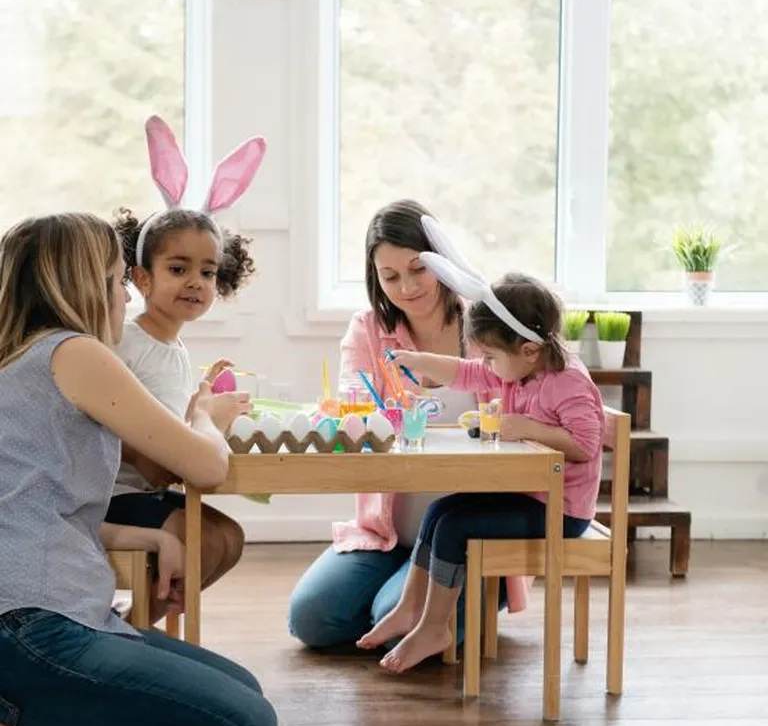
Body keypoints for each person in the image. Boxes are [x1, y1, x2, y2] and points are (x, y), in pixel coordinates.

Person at [0, 212, 277, 726]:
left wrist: (147, 536)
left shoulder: (22, 359)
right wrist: (205, 416)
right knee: (246, 725)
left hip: (40, 619)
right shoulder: (75, 352)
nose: (126, 299)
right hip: (32, 628)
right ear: (83, 283)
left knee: (244, 691)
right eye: (117, 281)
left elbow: (31, 505)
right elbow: (206, 465)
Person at [288, 199, 524, 649]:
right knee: (312, 619)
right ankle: (400, 608)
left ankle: (412, 611)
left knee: (393, 615)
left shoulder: (488, 323)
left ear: (442, 261)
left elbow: (546, 383)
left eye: (418, 269)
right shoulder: (368, 329)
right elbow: (349, 407)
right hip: (387, 533)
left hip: (465, 538)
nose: (407, 287)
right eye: (389, 276)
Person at [358, 268, 604, 673]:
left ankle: (434, 627)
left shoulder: (567, 382)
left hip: (561, 511)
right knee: (440, 511)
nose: (485, 365)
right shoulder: (521, 366)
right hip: (527, 496)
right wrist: (417, 360)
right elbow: (467, 371)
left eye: (491, 356)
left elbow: (585, 444)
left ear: (528, 349)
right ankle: (409, 609)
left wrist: (526, 428)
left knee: (456, 528)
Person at [105, 112, 266, 625]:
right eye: (178, 269)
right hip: (110, 495)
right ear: (141, 277)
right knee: (206, 537)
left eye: (207, 271)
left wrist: (206, 413)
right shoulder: (125, 336)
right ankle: (128, 636)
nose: (195, 282)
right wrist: (197, 423)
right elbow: (126, 431)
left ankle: (135, 629)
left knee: (227, 538)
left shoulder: (174, 351)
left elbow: (169, 436)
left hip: (148, 489)